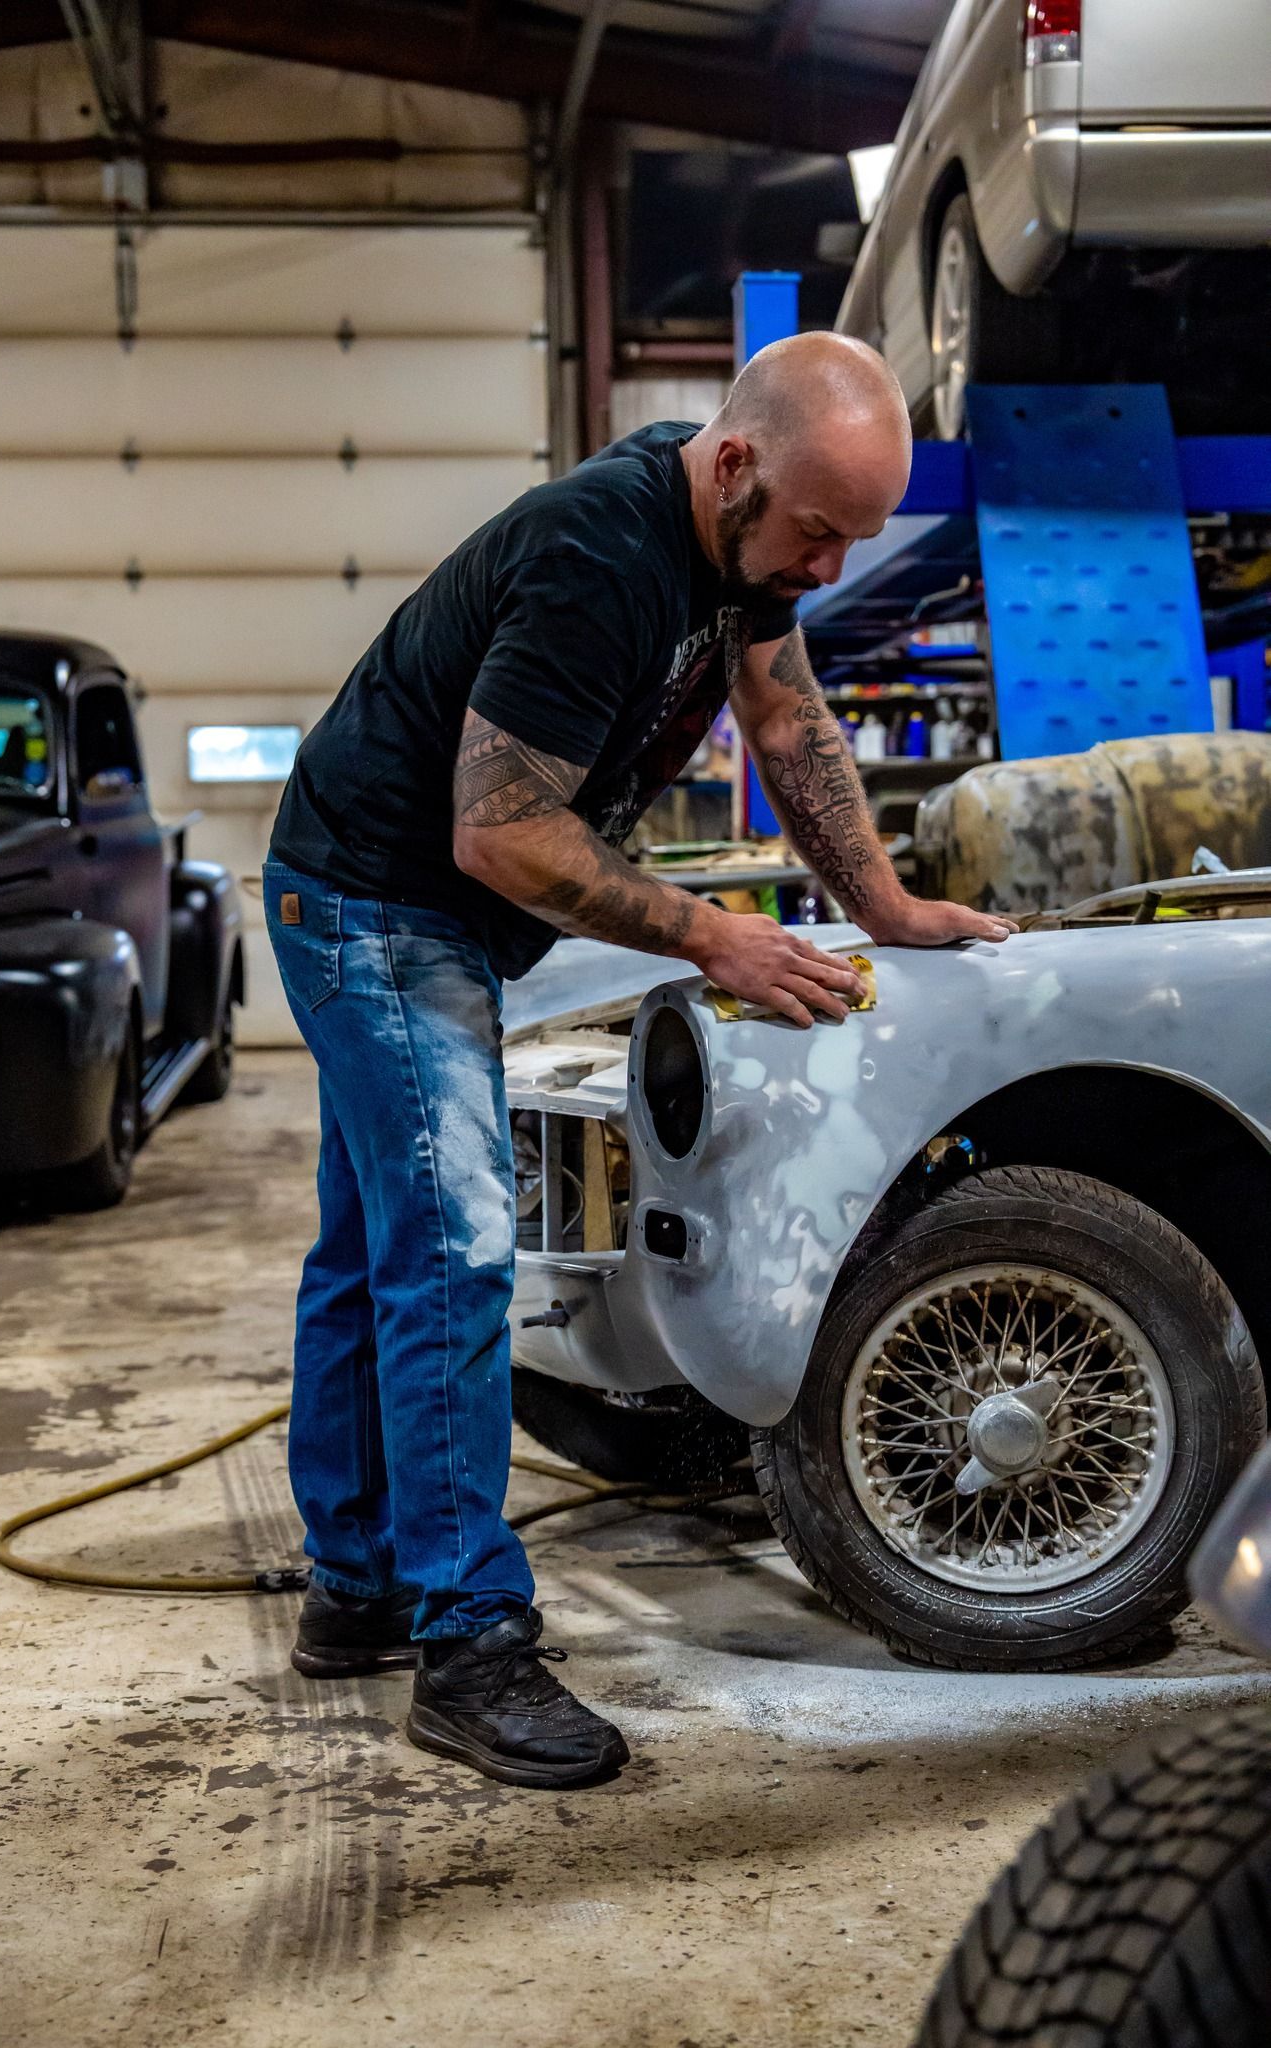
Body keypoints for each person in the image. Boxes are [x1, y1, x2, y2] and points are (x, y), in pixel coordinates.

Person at [264, 332, 1017, 1790]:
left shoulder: (738, 548)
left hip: (423, 898)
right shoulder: (598, 558)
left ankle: (357, 1583)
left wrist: (883, 908)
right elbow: (502, 832)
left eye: (853, 540)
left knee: (371, 1248)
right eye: (816, 532)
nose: (829, 570)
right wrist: (709, 937)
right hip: (373, 899)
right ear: (734, 466)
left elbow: (785, 718)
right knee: (453, 1246)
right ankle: (466, 1640)